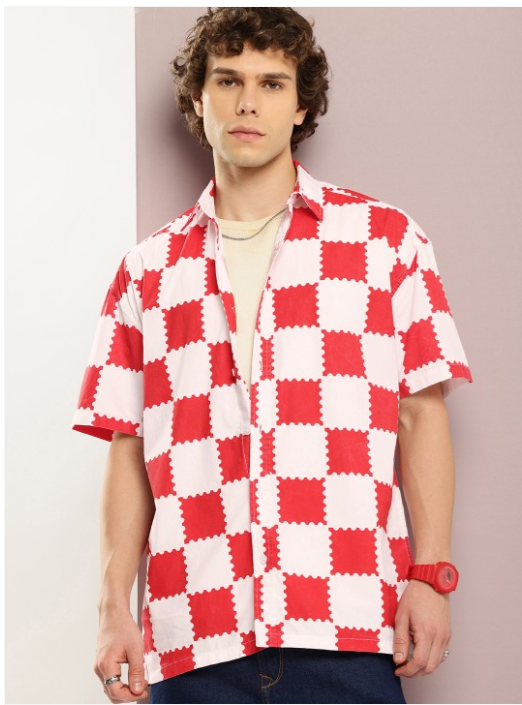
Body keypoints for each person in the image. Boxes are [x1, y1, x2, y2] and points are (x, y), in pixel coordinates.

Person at [71, 7, 473, 704]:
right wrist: (113, 608)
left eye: (272, 83)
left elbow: (420, 413)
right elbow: (128, 447)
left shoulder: (385, 242)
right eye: (227, 81)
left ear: (302, 104)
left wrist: (430, 576)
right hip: (196, 634)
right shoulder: (147, 272)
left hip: (349, 622)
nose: (248, 102)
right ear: (199, 99)